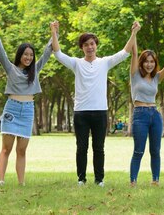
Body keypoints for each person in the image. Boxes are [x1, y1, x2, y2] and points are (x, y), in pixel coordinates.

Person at [52, 22, 135, 187]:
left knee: (99, 148)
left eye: (92, 44)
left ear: (96, 45)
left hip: (100, 112)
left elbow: (125, 53)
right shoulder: (77, 63)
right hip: (81, 113)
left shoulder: (104, 62)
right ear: (82, 47)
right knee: (81, 148)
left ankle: (99, 180)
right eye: (86, 45)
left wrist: (134, 32)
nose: (89, 47)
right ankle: (81, 179)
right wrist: (54, 32)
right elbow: (58, 53)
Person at [0, 17, 53, 187]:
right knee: (6, 149)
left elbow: (48, 52)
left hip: (27, 111)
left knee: (22, 150)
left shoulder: (35, 70)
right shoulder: (11, 68)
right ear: (20, 55)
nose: (28, 57)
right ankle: (1, 180)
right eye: (25, 54)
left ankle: (21, 183)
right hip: (12, 109)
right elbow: (0, 51)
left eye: (31, 55)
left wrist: (54, 33)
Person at [128, 23, 164, 187]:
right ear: (141, 62)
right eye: (146, 61)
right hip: (140, 114)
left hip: (155, 115)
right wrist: (135, 33)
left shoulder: (156, 78)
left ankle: (155, 180)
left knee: (155, 151)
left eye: (152, 61)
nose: (149, 64)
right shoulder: (135, 75)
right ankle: (133, 181)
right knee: (138, 150)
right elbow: (134, 53)